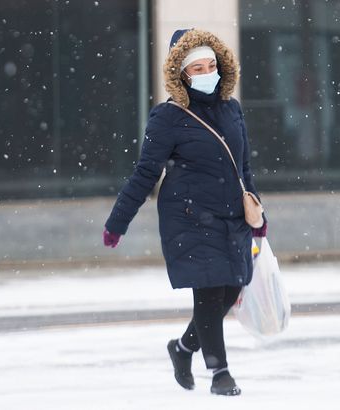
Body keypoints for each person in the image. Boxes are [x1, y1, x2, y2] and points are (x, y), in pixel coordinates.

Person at [103, 28, 267, 396]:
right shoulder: (168, 117)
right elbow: (146, 173)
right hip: (189, 217)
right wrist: (118, 222)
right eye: (198, 68)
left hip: (231, 217)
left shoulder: (232, 110)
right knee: (208, 292)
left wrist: (258, 215)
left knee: (230, 290)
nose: (207, 72)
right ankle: (220, 372)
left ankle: (182, 349)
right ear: (182, 74)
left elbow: (244, 168)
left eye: (212, 65)